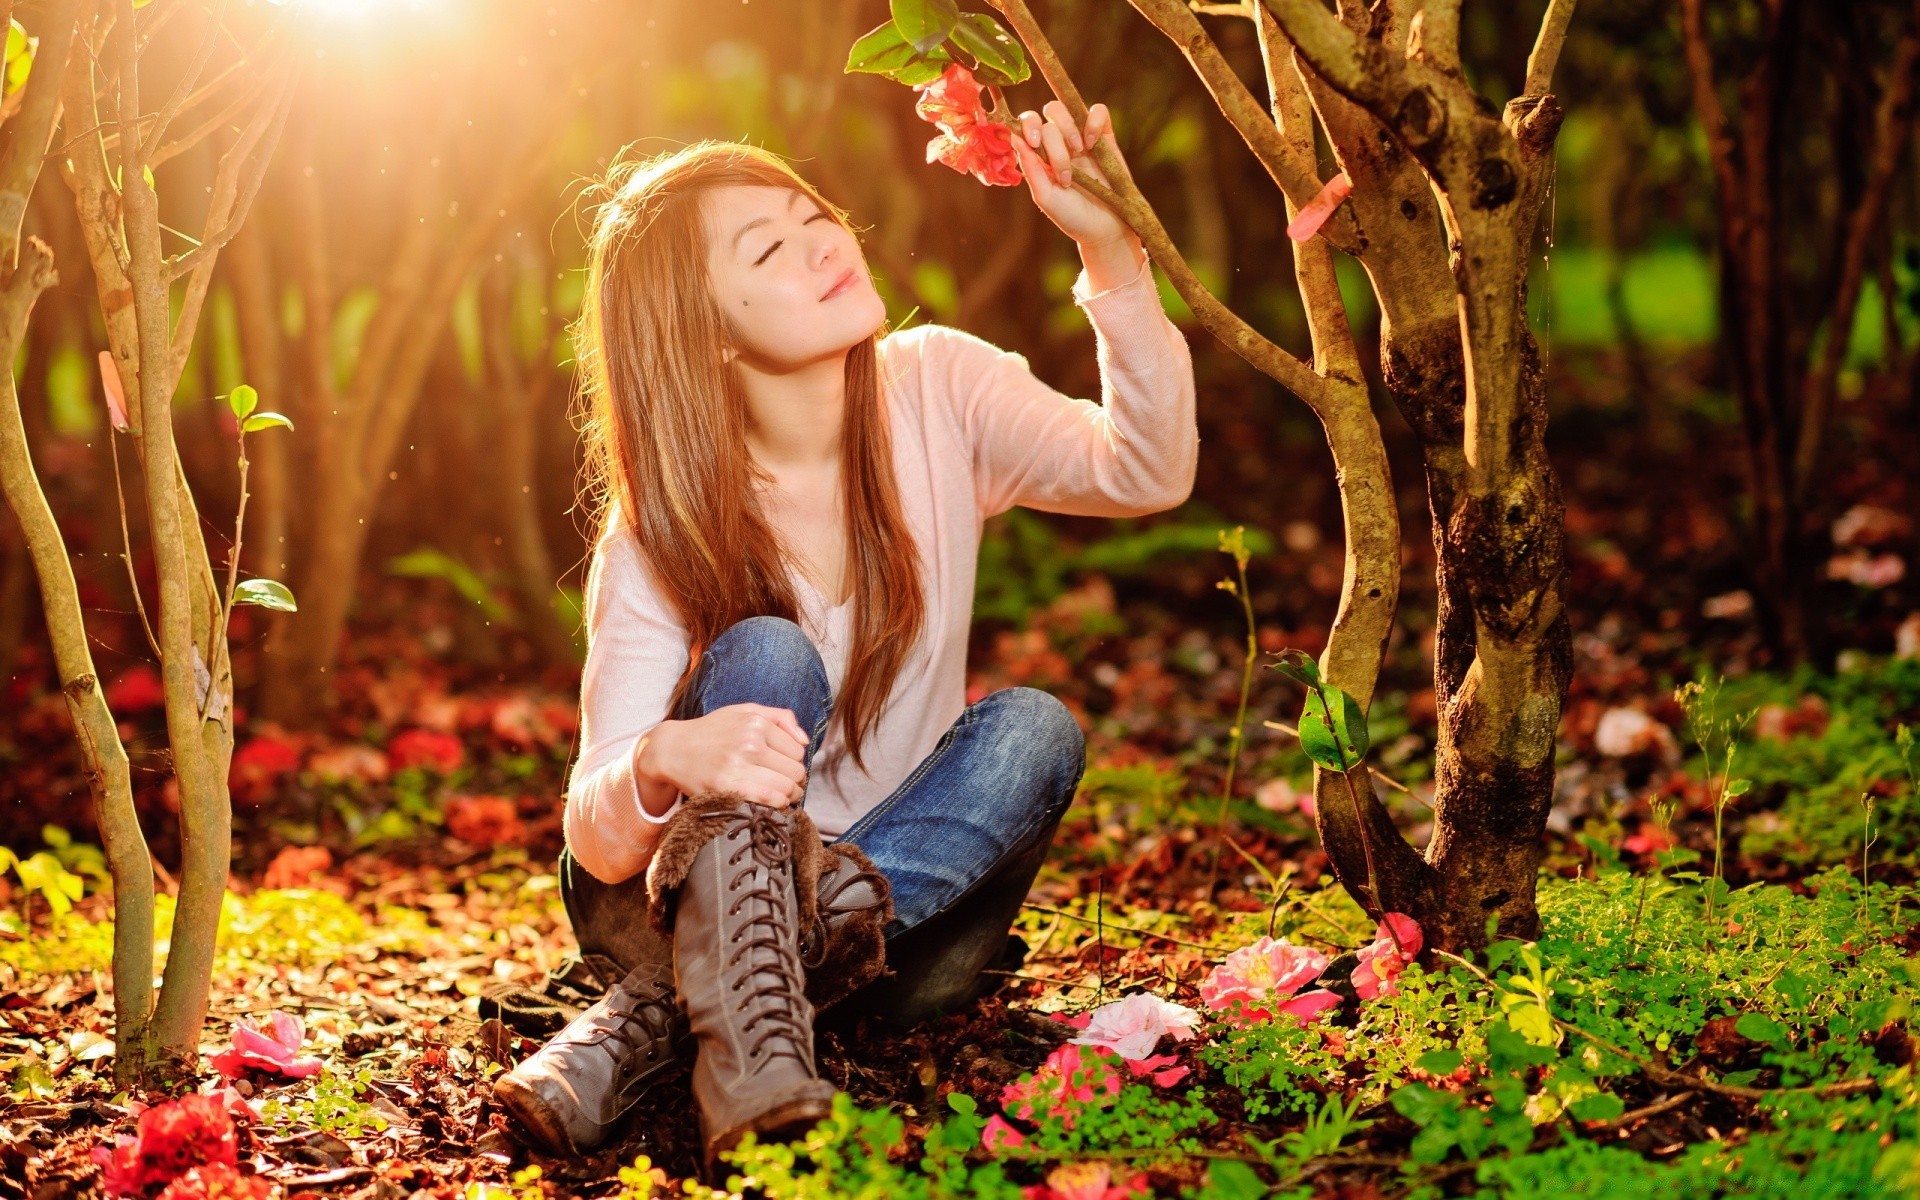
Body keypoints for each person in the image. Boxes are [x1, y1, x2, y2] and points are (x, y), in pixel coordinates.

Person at [492, 99, 1198, 1169]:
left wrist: (1109, 248)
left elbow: (1144, 471)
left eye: (809, 213)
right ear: (707, 333)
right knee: (769, 653)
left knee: (1033, 734)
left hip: (897, 928)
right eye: (768, 248)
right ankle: (722, 1010)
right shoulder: (664, 528)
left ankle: (654, 1020)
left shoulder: (938, 390)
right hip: (660, 910)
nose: (823, 242)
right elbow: (595, 835)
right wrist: (663, 754)